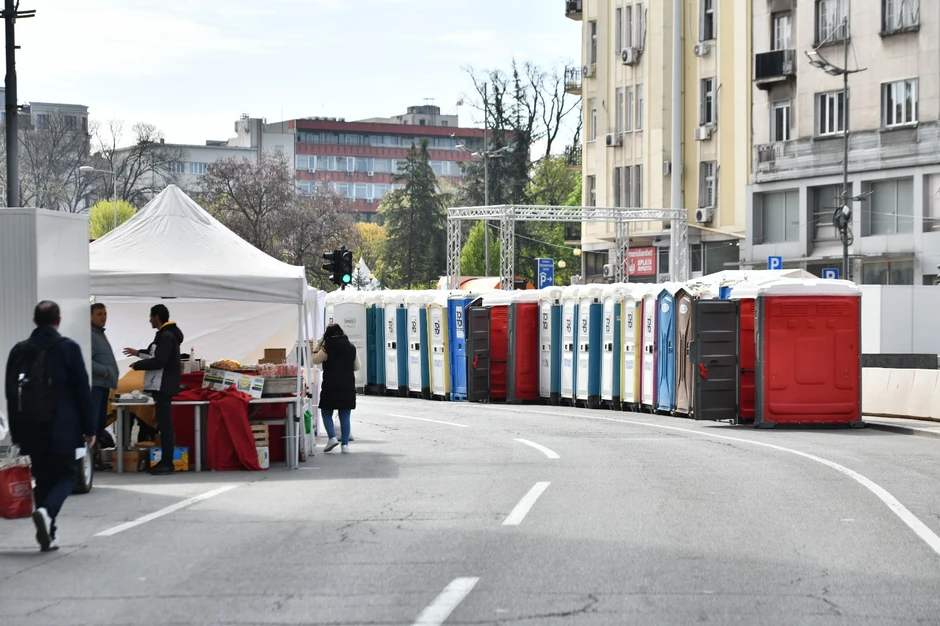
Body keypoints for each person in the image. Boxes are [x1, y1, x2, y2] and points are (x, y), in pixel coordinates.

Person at [5, 301, 95, 552]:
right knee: (67, 475)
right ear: (59, 321)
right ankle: (47, 512)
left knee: (43, 478)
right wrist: (90, 428)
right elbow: (82, 390)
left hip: (29, 426)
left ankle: (49, 533)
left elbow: (11, 394)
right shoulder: (68, 348)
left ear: (35, 321)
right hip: (63, 425)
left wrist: (15, 431)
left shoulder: (19, 350)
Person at [123, 304, 183, 475]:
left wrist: (138, 365)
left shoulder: (165, 336)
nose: (149, 320)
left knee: (165, 426)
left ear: (156, 317)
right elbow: (154, 353)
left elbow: (159, 361)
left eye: (150, 317)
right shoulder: (166, 335)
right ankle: (166, 461)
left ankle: (167, 463)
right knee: (163, 425)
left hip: (162, 385)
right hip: (163, 385)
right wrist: (137, 353)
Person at [312, 324, 359, 453]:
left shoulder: (327, 347)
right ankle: (345, 446)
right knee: (345, 416)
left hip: (330, 385)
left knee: (326, 412)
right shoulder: (351, 347)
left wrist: (319, 344)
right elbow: (357, 367)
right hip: (347, 385)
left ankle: (332, 438)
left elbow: (315, 360)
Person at [90, 303, 118, 470]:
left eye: (105, 313)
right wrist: (104, 371)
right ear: (90, 317)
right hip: (95, 385)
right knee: (94, 423)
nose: (103, 317)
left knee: (100, 422)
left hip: (103, 385)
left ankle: (95, 458)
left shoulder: (100, 334)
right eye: (99, 314)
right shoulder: (90, 335)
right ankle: (91, 460)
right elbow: (87, 359)